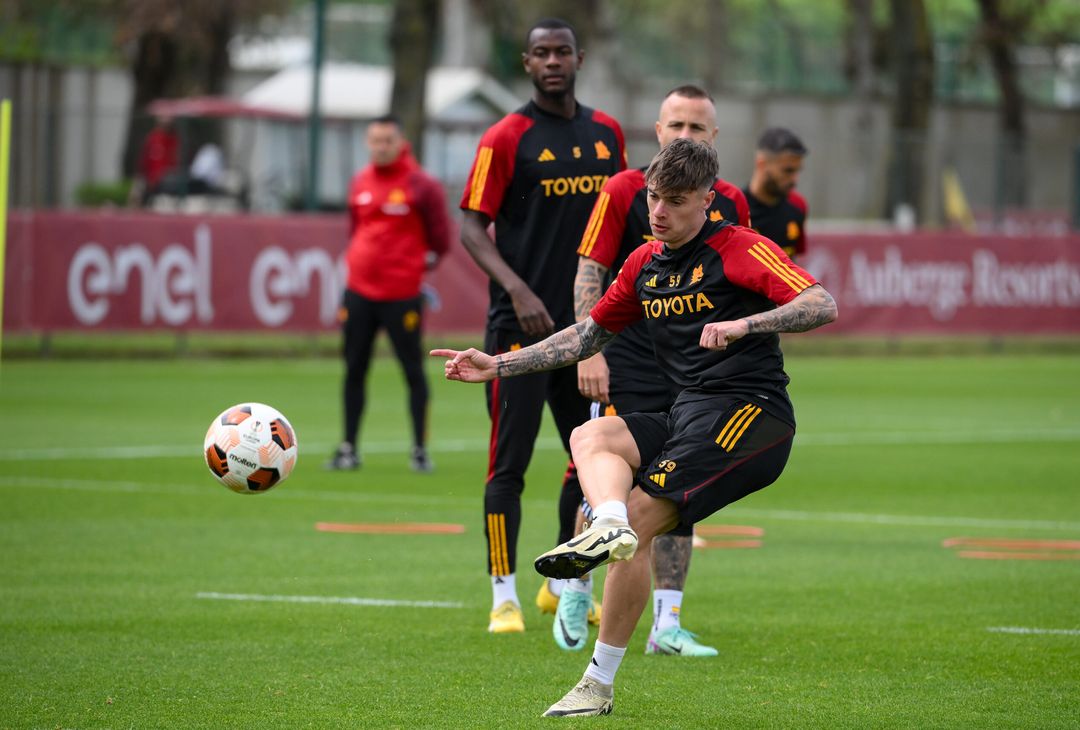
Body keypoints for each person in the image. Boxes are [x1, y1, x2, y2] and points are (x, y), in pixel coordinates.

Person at [432, 138, 837, 717]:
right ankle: (609, 526)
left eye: (674, 201)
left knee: (645, 515)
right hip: (687, 414)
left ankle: (596, 682)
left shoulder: (739, 248)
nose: (658, 212)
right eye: (653, 198)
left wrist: (745, 324)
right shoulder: (645, 263)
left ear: (707, 200)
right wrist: (498, 364)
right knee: (590, 437)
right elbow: (584, 337)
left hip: (751, 416)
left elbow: (821, 304)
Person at [548, 84, 751, 656]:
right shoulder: (624, 190)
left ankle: (667, 624)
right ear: (657, 133)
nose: (684, 135)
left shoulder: (731, 201)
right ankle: (576, 584)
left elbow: (742, 285)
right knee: (605, 473)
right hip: (628, 358)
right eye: (675, 126)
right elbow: (590, 270)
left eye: (697, 128)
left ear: (714, 139)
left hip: (696, 370)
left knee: (679, 487)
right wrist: (591, 351)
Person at [458, 18, 626, 634]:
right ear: (526, 63)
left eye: (562, 52)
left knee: (591, 459)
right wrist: (519, 290)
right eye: (540, 53)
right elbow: (472, 228)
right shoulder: (506, 137)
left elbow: (624, 216)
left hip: (590, 335)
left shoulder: (607, 133)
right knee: (509, 465)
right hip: (519, 331)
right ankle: (503, 593)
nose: (552, 61)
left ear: (580, 58)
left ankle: (561, 578)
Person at [326, 114, 451, 474]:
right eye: (374, 140)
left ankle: (420, 450)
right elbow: (355, 231)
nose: (380, 147)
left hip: (402, 295)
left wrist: (412, 267)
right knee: (353, 369)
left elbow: (440, 239)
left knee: (412, 370)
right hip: (359, 292)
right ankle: (348, 448)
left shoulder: (421, 185)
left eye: (386, 141)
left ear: (400, 142)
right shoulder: (359, 182)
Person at [743, 127, 808, 261]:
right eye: (788, 171)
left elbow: (797, 263)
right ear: (761, 164)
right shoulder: (736, 207)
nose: (795, 180)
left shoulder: (798, 205)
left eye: (797, 171)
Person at [135, 115, 180, 206]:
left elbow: (174, 160)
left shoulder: (173, 139)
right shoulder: (152, 138)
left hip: (164, 180)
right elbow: (144, 159)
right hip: (151, 179)